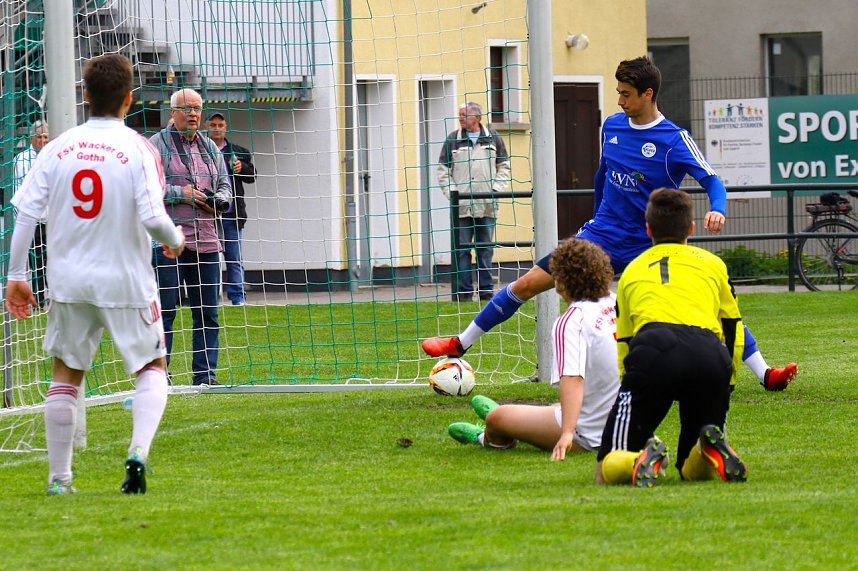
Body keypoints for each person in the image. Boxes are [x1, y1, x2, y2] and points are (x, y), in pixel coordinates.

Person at [423, 56, 797, 391]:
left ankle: (765, 373)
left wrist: (718, 209)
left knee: (707, 299)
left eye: (626, 94)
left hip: (647, 245)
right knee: (527, 283)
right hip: (600, 235)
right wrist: (595, 217)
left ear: (648, 94)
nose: (619, 100)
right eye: (618, 92)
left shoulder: (674, 140)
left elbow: (712, 180)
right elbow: (603, 174)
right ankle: (460, 343)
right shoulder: (613, 126)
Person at [4, 53, 186, 495]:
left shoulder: (57, 147)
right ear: (129, 99)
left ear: (85, 95)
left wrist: (16, 275)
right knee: (151, 366)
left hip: (68, 281)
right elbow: (153, 216)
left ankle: (59, 478)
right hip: (125, 279)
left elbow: (25, 213)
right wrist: (176, 238)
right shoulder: (139, 148)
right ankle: (137, 452)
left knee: (66, 373)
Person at [596, 187, 746, 487]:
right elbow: (733, 326)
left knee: (606, 467)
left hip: (655, 350)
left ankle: (638, 459)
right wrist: (727, 378)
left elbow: (624, 340)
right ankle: (705, 451)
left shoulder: (632, 271)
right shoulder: (714, 264)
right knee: (690, 470)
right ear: (691, 228)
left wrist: (630, 383)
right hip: (710, 354)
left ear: (648, 229)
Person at [447, 239, 618, 459]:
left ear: (560, 282)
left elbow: (573, 379)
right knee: (555, 407)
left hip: (588, 435)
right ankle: (517, 418)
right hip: (624, 425)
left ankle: (486, 435)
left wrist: (567, 433)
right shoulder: (617, 302)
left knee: (497, 418)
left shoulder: (571, 321)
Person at [150, 89, 231, 386]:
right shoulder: (156, 145)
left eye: (197, 108)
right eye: (187, 108)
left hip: (206, 240)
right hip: (168, 242)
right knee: (165, 311)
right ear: (173, 112)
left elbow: (225, 186)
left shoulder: (210, 147)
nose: (194, 114)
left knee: (208, 313)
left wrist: (218, 201)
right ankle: (160, 375)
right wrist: (180, 193)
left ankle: (205, 375)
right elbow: (146, 188)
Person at [438, 101, 511, 301]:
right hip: (461, 207)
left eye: (464, 115)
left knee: (485, 250)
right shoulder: (453, 140)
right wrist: (453, 194)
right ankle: (464, 293)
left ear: (477, 118)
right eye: (460, 115)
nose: (460, 118)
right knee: (462, 250)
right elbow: (443, 171)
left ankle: (486, 291)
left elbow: (504, 166)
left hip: (487, 206)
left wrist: (496, 191)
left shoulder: (493, 138)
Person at [205, 112, 256, 306]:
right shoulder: (200, 150)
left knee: (234, 259)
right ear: (206, 127)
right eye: (213, 125)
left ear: (226, 128)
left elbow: (252, 176)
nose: (217, 129)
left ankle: (238, 298)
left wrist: (242, 168)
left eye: (220, 125)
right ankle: (210, 298)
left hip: (232, 216)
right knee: (209, 260)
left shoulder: (238, 152)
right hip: (207, 215)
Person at [12, 120, 50, 307]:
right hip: (33, 222)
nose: (43, 140)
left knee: (54, 261)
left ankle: (54, 296)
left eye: (45, 136)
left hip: (53, 221)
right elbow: (17, 189)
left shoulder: (53, 156)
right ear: (31, 138)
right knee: (38, 263)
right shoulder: (22, 159)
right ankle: (40, 300)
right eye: (39, 136)